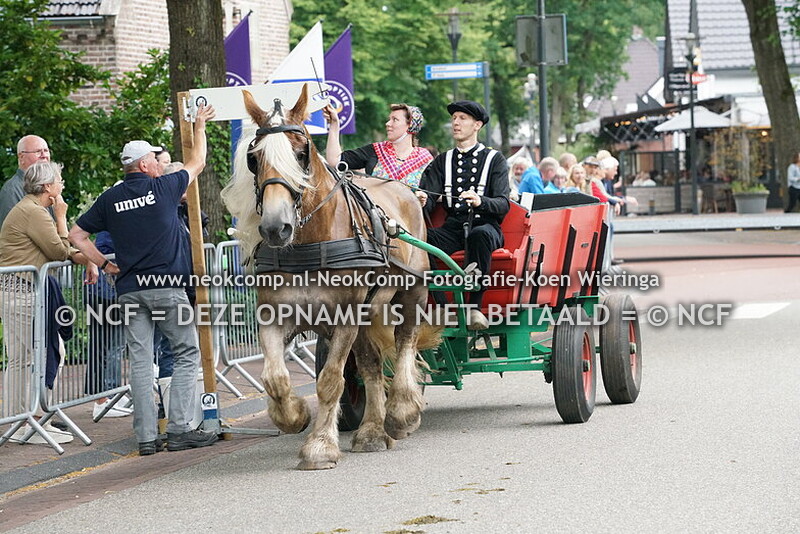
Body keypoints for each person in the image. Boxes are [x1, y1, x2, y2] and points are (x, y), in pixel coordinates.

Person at [69, 104, 218, 456]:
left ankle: (147, 437)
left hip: (130, 291)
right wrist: (199, 125)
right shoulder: (164, 188)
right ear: (144, 165)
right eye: (155, 158)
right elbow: (197, 162)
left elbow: (76, 234)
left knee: (139, 362)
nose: (160, 163)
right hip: (166, 288)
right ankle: (180, 429)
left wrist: (104, 265)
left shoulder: (110, 198)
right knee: (185, 353)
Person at [1, 161, 99, 444]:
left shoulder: (32, 210)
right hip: (18, 293)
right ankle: (21, 424)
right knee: (23, 359)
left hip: (22, 292)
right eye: (59, 180)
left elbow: (64, 250)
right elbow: (58, 252)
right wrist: (61, 216)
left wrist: (89, 259)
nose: (62, 184)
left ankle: (30, 418)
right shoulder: (34, 212)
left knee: (31, 356)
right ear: (47, 187)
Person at [416, 100, 510, 330]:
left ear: (477, 125)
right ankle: (441, 306)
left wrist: (481, 202)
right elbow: (428, 196)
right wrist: (422, 201)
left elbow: (503, 203)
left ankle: (474, 309)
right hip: (454, 228)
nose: (455, 123)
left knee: (479, 235)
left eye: (462, 119)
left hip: (486, 226)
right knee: (423, 241)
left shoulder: (494, 159)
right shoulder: (442, 160)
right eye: (454, 118)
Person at [324, 103, 433, 188]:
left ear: (410, 125)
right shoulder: (376, 150)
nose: (388, 123)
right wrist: (334, 124)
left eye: (394, 120)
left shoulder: (425, 160)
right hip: (376, 215)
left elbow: (434, 195)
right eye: (389, 119)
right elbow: (335, 161)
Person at [0, 135, 51, 228]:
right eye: (38, 151)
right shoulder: (12, 191)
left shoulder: (48, 187)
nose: (44, 156)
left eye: (46, 151)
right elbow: (11, 235)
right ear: (21, 157)